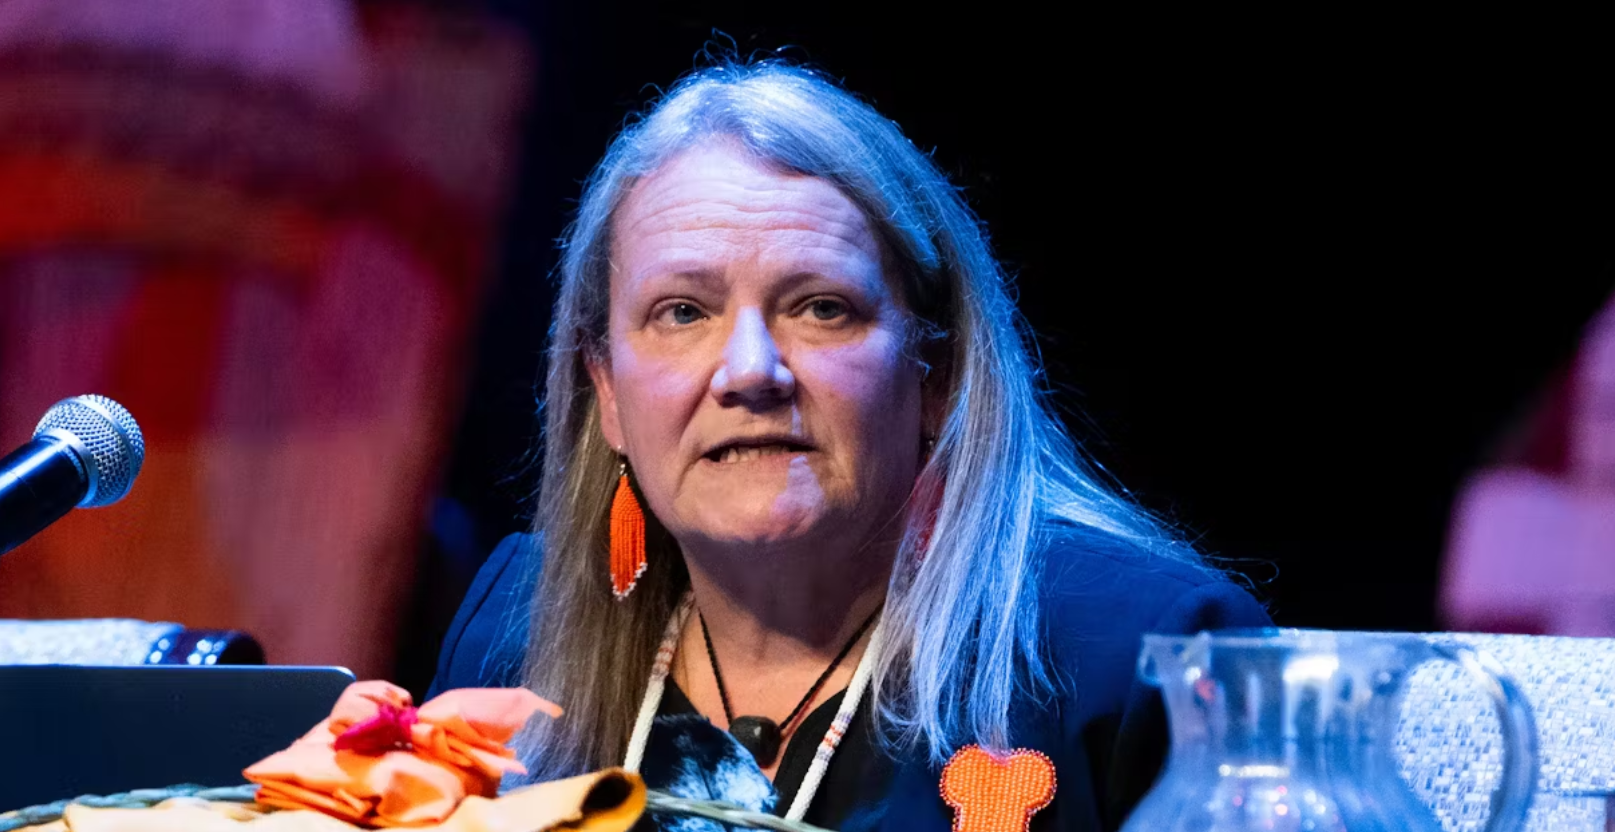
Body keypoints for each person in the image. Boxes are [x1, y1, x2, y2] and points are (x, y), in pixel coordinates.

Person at [430, 60, 1270, 832]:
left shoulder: (1148, 656)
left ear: (936, 371)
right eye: (682, 312)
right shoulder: (513, 631)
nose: (750, 371)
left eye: (820, 308)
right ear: (608, 391)